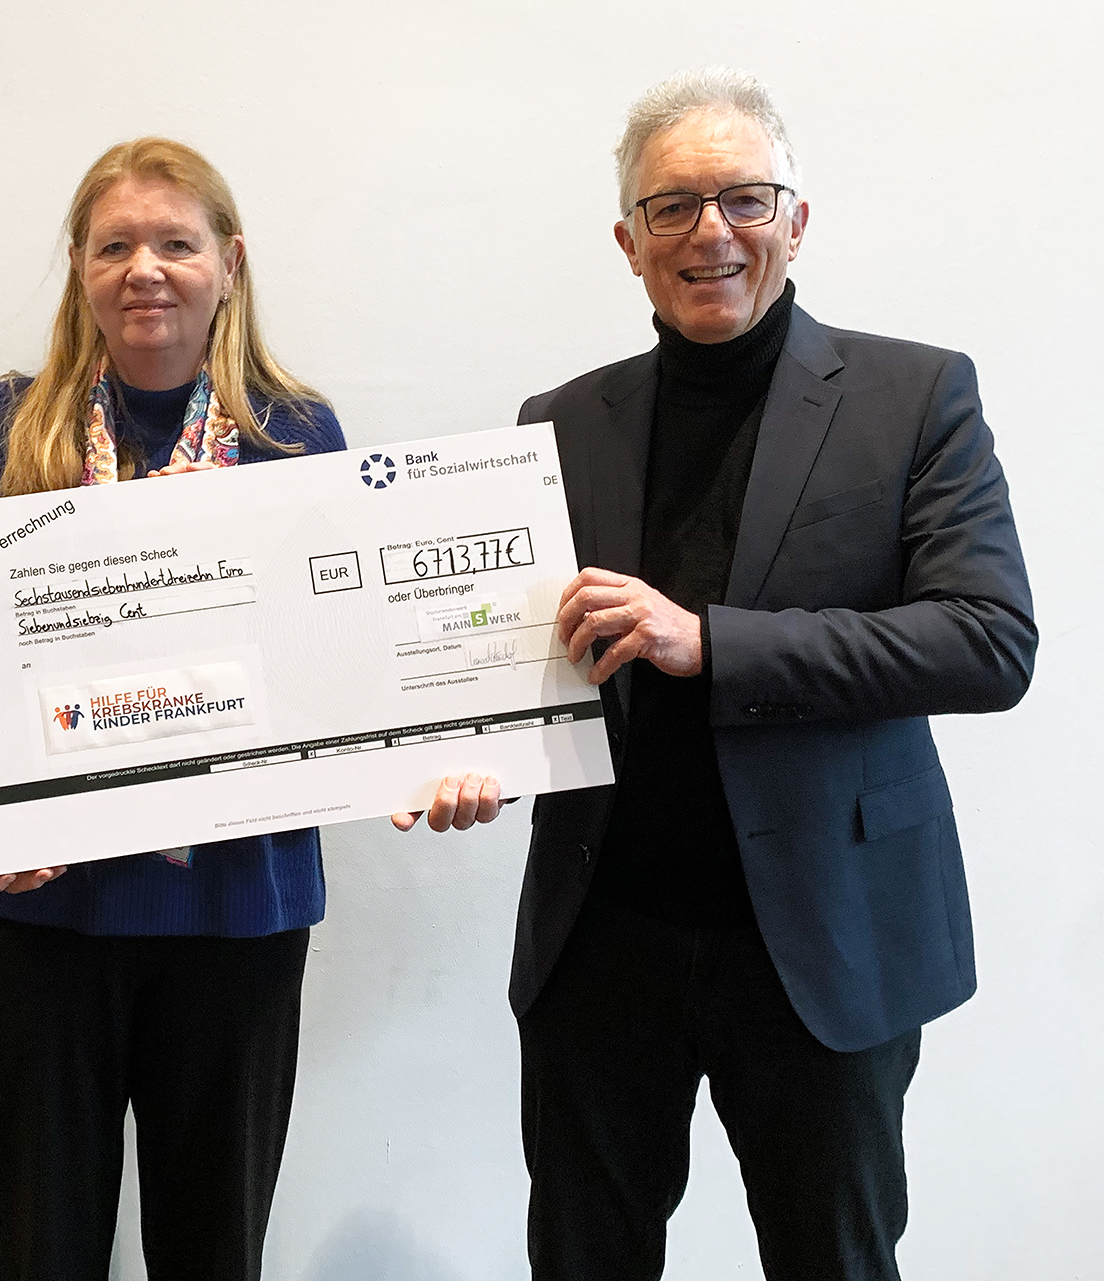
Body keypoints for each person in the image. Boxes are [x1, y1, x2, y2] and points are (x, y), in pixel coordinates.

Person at [427, 68, 1036, 1279]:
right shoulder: (554, 423)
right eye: (671, 206)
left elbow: (986, 639)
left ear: (794, 221)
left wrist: (712, 642)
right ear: (628, 243)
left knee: (832, 1258)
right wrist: (456, 754)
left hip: (825, 935)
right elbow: (504, 656)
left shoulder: (914, 394)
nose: (710, 230)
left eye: (743, 199)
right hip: (602, 938)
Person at [0, 137, 346, 1281]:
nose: (144, 269)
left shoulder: (294, 436)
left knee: (212, 1251)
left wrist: (415, 753)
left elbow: (338, 654)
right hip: (36, 920)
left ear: (228, 262)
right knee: (43, 1252)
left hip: (233, 916)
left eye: (174, 243)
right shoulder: (8, 428)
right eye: (114, 247)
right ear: (79, 268)